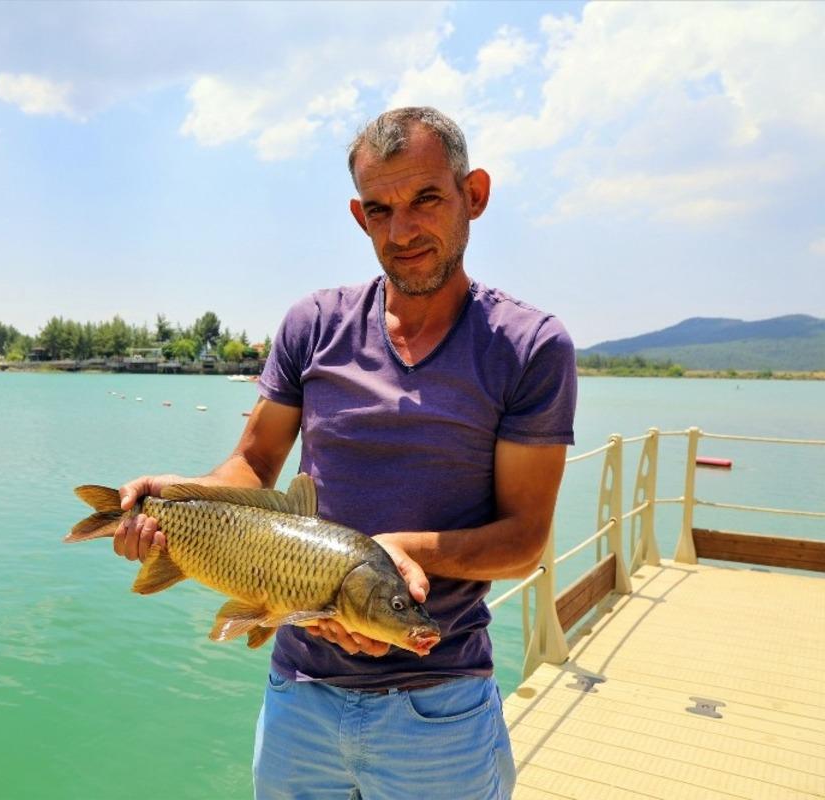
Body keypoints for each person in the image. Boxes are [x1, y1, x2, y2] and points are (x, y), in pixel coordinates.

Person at [113, 107, 576, 800]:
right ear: (360, 217)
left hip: (438, 705)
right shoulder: (314, 325)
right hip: (298, 696)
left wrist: (393, 555)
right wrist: (182, 502)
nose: (402, 230)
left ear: (473, 194)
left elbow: (523, 542)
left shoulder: (529, 347)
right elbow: (253, 463)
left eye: (426, 199)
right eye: (379, 209)